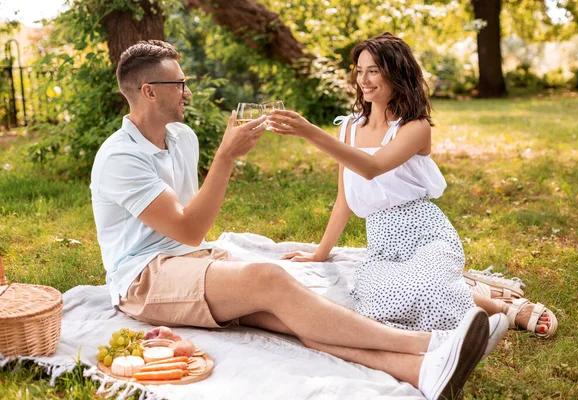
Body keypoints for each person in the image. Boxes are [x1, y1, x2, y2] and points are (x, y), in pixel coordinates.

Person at [89, 39, 495, 400]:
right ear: (148, 91)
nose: (188, 92)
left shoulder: (182, 138)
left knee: (295, 314)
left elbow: (193, 235)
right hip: (144, 278)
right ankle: (431, 343)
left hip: (191, 261)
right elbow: (189, 229)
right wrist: (226, 159)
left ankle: (422, 372)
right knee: (271, 279)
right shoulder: (120, 157)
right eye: (179, 85)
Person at [269, 32, 556, 338]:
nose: (363, 80)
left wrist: (309, 132)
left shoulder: (415, 128)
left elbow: (372, 168)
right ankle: (463, 289)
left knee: (425, 289)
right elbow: (344, 199)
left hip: (427, 235)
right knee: (377, 307)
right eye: (360, 70)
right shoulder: (350, 128)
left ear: (396, 73)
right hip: (382, 246)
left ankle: (502, 308)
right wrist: (320, 253)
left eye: (374, 71)